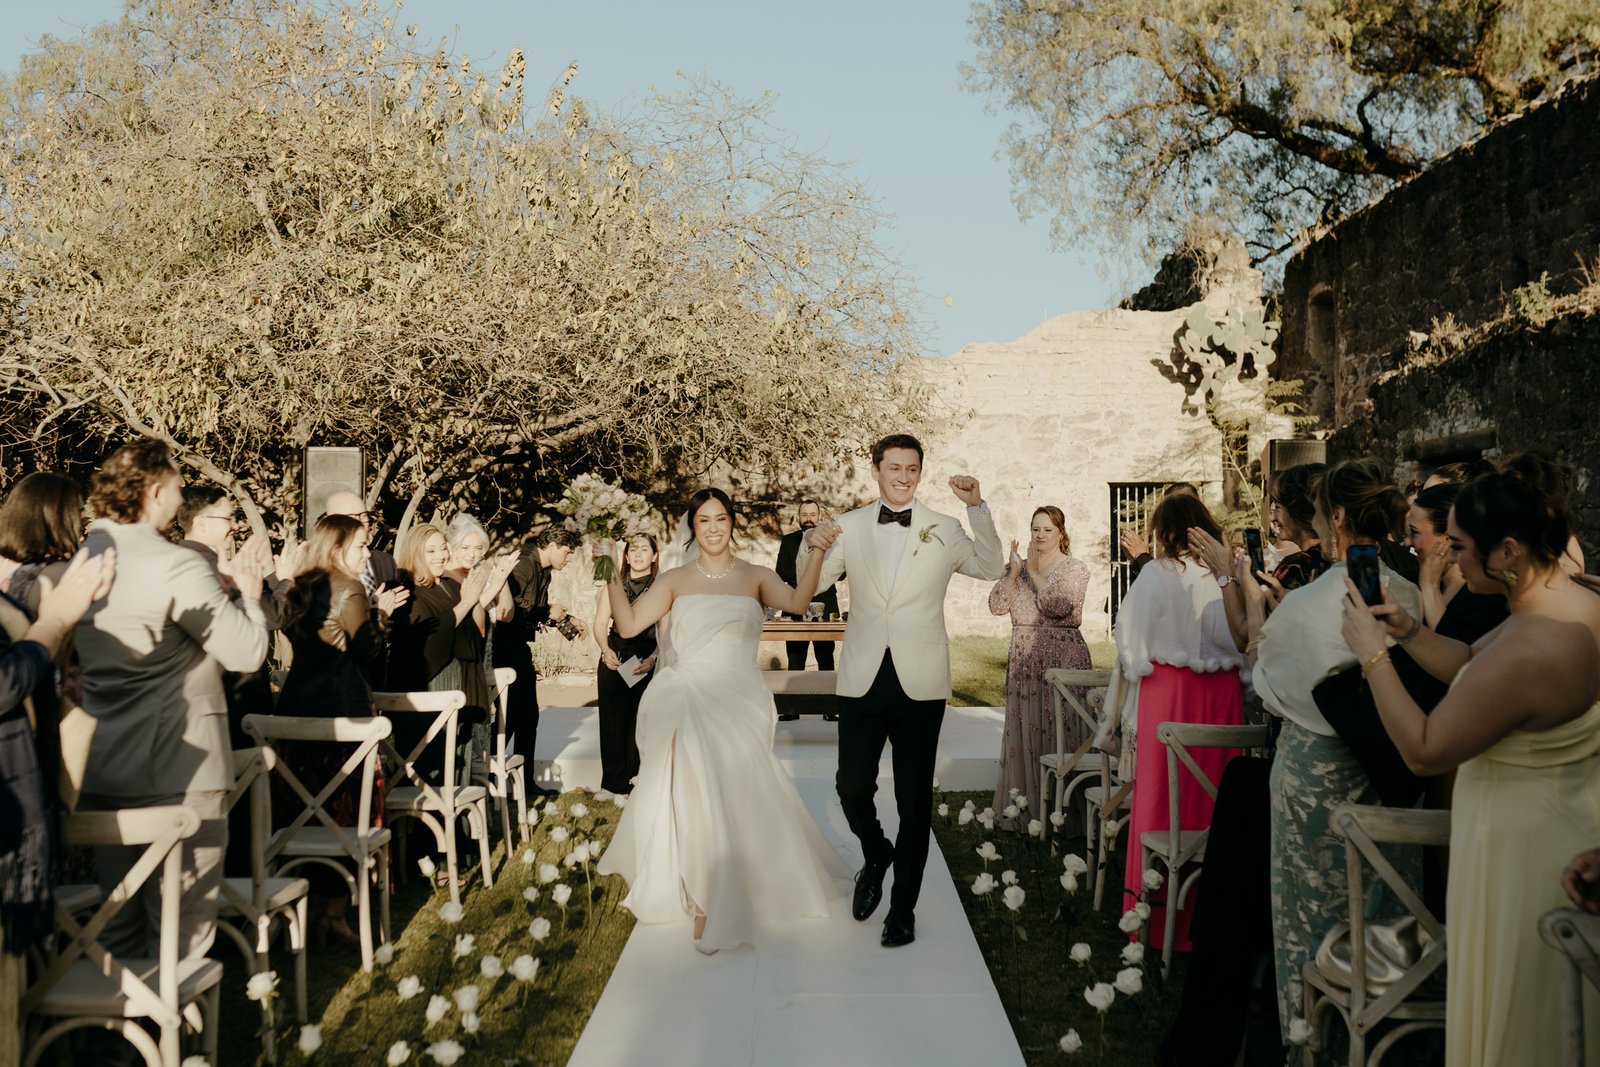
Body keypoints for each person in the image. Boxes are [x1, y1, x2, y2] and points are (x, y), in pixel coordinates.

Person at [1341, 452, 1600, 1067]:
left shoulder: (1530, 648)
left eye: (1459, 546)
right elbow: (1470, 666)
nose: (1450, 558)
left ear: (1507, 550)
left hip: (1525, 857)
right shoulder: (1566, 603)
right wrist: (1406, 631)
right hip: (1563, 828)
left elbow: (1424, 750)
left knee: (1524, 1023)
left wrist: (1372, 655)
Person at [595, 488, 851, 953]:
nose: (713, 528)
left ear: (732, 522)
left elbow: (798, 602)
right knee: (698, 790)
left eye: (720, 519)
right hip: (689, 697)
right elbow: (629, 625)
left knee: (737, 791)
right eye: (704, 521)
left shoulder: (755, 576)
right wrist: (607, 564)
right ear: (693, 527)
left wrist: (816, 550)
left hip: (738, 698)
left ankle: (740, 879)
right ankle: (704, 897)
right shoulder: (674, 579)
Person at [1241, 457, 1422, 1046]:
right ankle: (1386, 1038)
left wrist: (1260, 611)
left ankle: (1311, 1040)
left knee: (1309, 910)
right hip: (1391, 767)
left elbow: (1266, 686)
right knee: (1385, 903)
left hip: (1315, 771)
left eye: (1319, 512)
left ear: (1337, 517)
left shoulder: (1306, 604)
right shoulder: (1408, 596)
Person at [802, 433, 1005, 948]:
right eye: (893, 468)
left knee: (913, 801)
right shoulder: (849, 525)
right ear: (876, 470)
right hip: (862, 677)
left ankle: (902, 910)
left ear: (919, 472)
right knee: (851, 786)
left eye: (911, 469)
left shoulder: (944, 527)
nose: (903, 477)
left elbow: (989, 567)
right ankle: (876, 853)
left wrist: (976, 507)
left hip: (922, 681)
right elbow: (813, 584)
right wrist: (813, 544)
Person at [75, 438, 271, 964]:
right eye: (179, 488)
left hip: (105, 768)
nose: (182, 499)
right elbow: (247, 652)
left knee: (117, 927)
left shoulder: (85, 558)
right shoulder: (173, 563)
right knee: (183, 932)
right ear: (156, 492)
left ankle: (122, 1021)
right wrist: (250, 597)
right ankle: (179, 1019)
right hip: (182, 772)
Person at [1112, 492, 1246, 951]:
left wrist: (1137, 666)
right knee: (1214, 800)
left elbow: (1129, 634)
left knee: (1161, 800)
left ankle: (1150, 918)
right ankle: (1210, 921)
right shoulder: (1228, 576)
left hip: (1167, 691)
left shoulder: (1156, 573)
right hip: (1223, 693)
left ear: (1165, 531)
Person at [276, 514, 407, 942]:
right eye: (361, 545)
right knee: (347, 809)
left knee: (307, 809)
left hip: (299, 709)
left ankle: (311, 903)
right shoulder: (350, 589)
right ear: (337, 549)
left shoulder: (301, 585)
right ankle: (334, 910)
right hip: (344, 711)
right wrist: (379, 615)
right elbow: (367, 652)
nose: (368, 553)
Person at [987, 505, 1091, 821]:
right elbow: (996, 606)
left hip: (1063, 658)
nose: (1041, 535)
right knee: (1026, 729)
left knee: (1064, 728)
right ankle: (1027, 808)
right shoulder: (1016, 567)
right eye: (1036, 529)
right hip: (1025, 659)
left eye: (1048, 529)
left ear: (1061, 533)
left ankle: (1066, 813)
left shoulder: (1074, 568)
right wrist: (1015, 573)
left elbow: (1059, 607)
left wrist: (1033, 573)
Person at [386, 522, 510, 776]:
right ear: (415, 553)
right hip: (431, 688)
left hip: (460, 683)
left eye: (443, 548)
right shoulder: (406, 590)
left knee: (457, 763)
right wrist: (466, 602)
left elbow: (477, 633)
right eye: (431, 551)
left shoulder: (449, 585)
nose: (441, 555)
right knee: (434, 765)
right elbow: (427, 639)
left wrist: (477, 596)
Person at [490, 526, 586, 797]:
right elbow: (510, 611)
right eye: (567, 552)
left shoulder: (544, 571)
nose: (569, 559)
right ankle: (490, 776)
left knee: (525, 716)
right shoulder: (524, 564)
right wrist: (547, 611)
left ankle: (522, 782)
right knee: (512, 716)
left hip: (517, 648)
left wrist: (566, 619)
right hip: (504, 648)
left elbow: (534, 612)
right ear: (552, 545)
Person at [591, 533, 659, 795]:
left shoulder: (661, 588)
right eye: (633, 550)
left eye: (645, 549)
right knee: (612, 723)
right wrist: (605, 649)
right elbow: (600, 623)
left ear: (654, 556)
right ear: (626, 557)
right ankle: (612, 783)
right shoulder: (614, 585)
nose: (639, 554)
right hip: (616, 656)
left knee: (642, 721)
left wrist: (654, 658)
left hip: (646, 658)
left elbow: (669, 630)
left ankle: (639, 779)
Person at [775, 499, 841, 671]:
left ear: (819, 516)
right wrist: (808, 574)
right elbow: (781, 572)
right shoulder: (788, 540)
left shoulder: (831, 541)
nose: (808, 519)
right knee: (795, 660)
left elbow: (841, 574)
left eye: (812, 514)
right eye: (804, 515)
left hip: (825, 604)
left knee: (826, 660)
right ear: (798, 517)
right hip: (794, 605)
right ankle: (794, 690)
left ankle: (827, 690)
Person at [1120, 481, 1198, 585]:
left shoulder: (1206, 549)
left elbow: (1170, 589)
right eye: (1173, 509)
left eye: (1186, 506)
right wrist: (1137, 562)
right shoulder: (1172, 552)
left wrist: (1142, 557)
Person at [324, 489, 397, 594]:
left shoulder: (385, 562)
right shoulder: (316, 571)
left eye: (363, 515)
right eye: (350, 518)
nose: (359, 522)